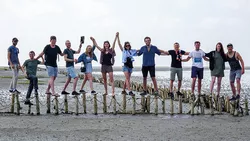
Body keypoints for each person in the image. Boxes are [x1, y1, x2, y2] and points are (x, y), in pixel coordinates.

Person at [117, 32, 138, 96]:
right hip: (125, 66)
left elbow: (138, 51)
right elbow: (119, 44)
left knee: (127, 78)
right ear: (125, 46)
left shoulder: (132, 51)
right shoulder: (124, 50)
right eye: (126, 45)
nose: (127, 46)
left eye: (128, 45)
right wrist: (118, 37)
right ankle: (130, 91)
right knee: (128, 79)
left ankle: (123, 90)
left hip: (130, 66)